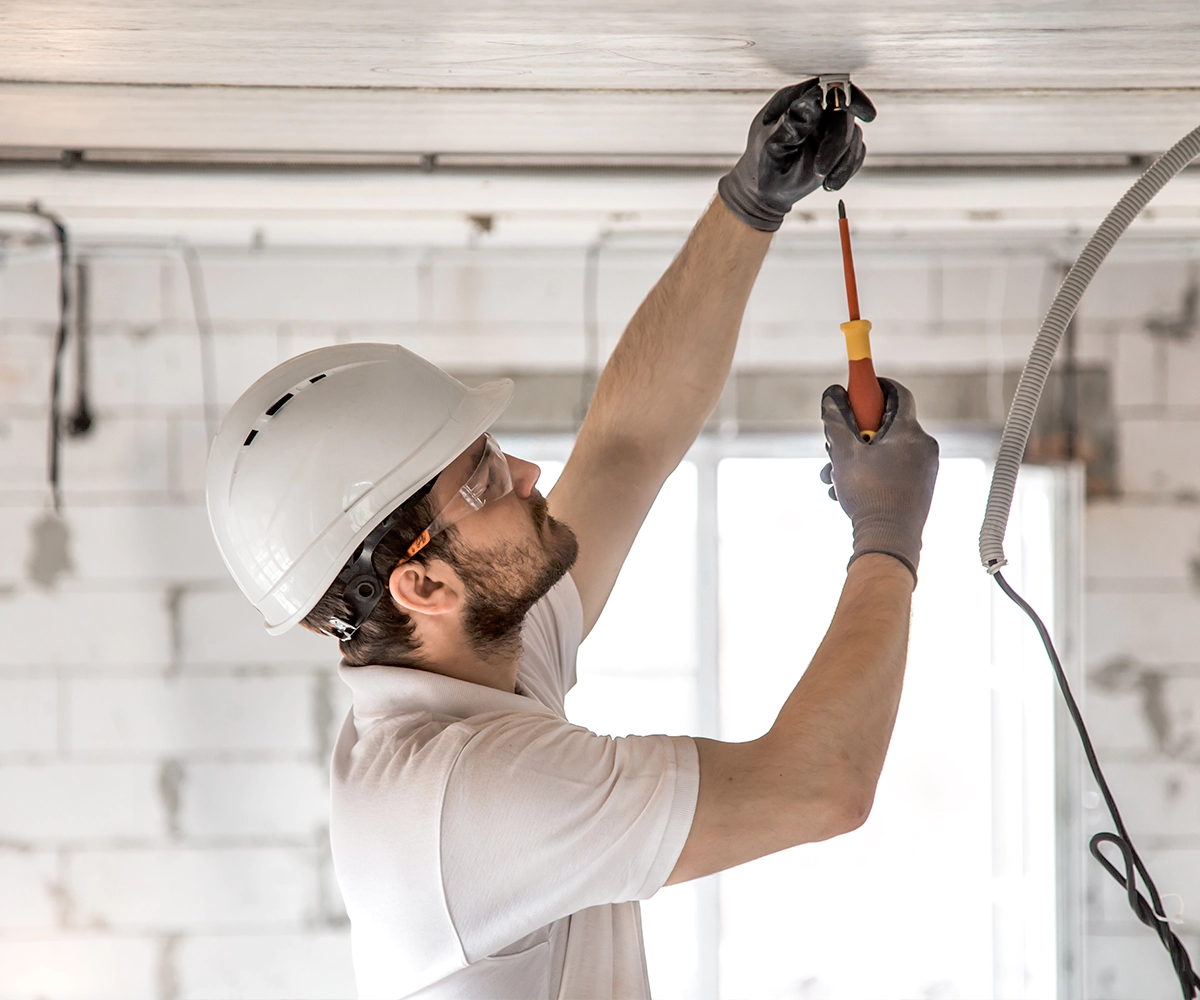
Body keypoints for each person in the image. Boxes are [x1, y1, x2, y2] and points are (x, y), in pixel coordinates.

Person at [206, 79, 938, 999]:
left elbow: (627, 447)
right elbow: (822, 784)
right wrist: (890, 532)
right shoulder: (467, 798)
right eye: (481, 480)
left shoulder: (470, 665)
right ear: (421, 584)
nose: (528, 478)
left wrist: (751, 205)